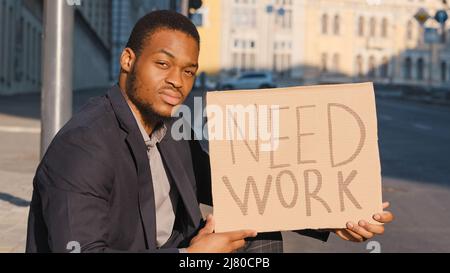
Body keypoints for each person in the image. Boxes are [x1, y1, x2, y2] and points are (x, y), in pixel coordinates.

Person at [26, 10, 393, 253]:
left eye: (188, 71)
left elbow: (242, 186)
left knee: (259, 239)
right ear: (128, 60)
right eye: (163, 64)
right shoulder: (84, 146)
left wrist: (337, 214)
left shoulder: (172, 128)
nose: (176, 81)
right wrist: (190, 256)